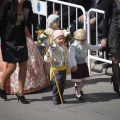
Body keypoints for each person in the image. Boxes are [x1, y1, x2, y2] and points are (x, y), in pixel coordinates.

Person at [0, 0, 39, 104]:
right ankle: (2, 86)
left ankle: (20, 92)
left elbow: (33, 20)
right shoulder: (8, 3)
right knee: (12, 66)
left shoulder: (27, 4)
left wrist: (39, 32)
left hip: (20, 37)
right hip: (8, 38)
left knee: (23, 63)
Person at [69, 29, 104, 100]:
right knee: (78, 80)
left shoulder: (85, 44)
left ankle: (78, 88)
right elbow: (71, 56)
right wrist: (74, 65)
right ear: (76, 38)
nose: (83, 41)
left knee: (86, 79)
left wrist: (101, 45)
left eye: (84, 39)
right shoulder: (73, 46)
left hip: (83, 64)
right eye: (81, 40)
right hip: (77, 65)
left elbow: (92, 47)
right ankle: (78, 93)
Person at [44, 30, 70, 105]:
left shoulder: (65, 47)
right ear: (54, 39)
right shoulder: (52, 48)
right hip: (56, 69)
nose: (61, 40)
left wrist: (68, 65)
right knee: (57, 84)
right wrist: (47, 55)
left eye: (63, 38)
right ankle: (55, 97)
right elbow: (48, 59)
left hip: (63, 68)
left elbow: (67, 56)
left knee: (63, 84)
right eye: (59, 38)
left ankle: (60, 97)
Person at [101, 0, 120, 96]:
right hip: (114, 32)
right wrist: (104, 37)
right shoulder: (111, 1)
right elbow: (105, 18)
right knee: (116, 60)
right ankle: (118, 84)